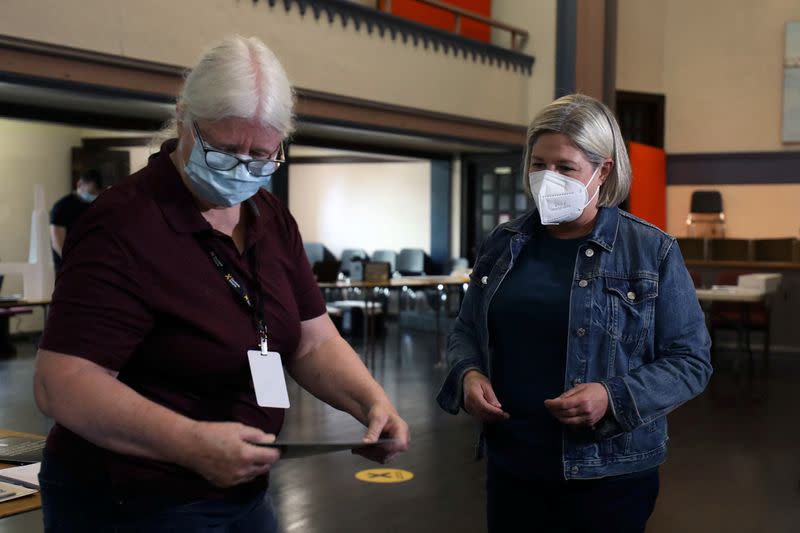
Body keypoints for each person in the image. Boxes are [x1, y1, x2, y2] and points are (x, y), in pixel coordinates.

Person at [34, 35, 409, 532]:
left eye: (261, 156)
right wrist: (188, 441)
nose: (241, 170)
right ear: (184, 119)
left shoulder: (270, 216)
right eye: (225, 150)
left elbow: (314, 341)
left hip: (242, 489)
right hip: (133, 500)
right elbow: (63, 382)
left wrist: (371, 402)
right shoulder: (123, 224)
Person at [437, 94, 711, 533]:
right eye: (539, 164)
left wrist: (612, 396)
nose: (548, 179)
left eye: (565, 168)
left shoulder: (650, 250)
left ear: (603, 171)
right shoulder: (502, 244)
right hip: (513, 465)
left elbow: (691, 362)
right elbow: (466, 329)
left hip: (606, 474)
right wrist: (468, 373)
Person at [49, 169, 103, 272]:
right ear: (79, 184)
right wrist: (76, 264)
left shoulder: (98, 206)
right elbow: (58, 244)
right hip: (69, 269)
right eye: (91, 192)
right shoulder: (62, 207)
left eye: (98, 193)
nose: (94, 196)